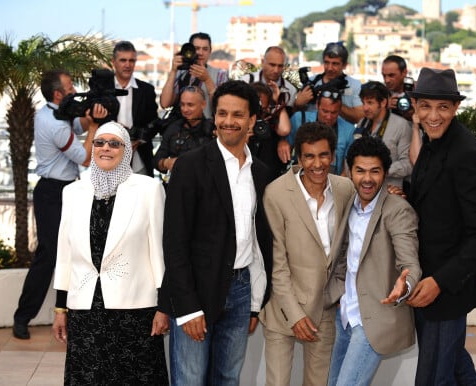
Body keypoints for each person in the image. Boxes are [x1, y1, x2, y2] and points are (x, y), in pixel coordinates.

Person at [161, 80, 272, 385]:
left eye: (237, 115)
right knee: (190, 380)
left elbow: (260, 240)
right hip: (197, 289)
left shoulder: (261, 172)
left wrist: (253, 302)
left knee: (227, 379)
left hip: (240, 290)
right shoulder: (190, 166)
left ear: (252, 121)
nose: (228, 121)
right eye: (222, 113)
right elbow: (174, 241)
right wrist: (186, 309)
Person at [52, 121, 169, 385]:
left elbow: (159, 252)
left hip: (136, 310)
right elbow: (65, 254)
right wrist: (61, 308)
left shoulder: (149, 189)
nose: (106, 148)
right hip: (86, 309)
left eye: (114, 143)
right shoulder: (72, 192)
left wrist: (164, 307)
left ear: (126, 150)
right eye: (99, 142)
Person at [406, 68, 476, 386]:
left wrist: (439, 282)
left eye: (443, 107)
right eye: (426, 107)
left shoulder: (466, 153)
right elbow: (434, 198)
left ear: (455, 108)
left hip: (447, 288)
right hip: (429, 280)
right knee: (455, 365)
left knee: (434, 377)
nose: (434, 116)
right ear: (415, 107)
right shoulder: (432, 141)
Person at [12, 70, 106, 340]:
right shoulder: (52, 122)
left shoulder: (54, 112)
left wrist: (89, 116)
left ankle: (70, 317)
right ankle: (22, 317)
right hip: (52, 192)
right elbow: (85, 157)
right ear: (57, 94)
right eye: (69, 86)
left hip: (67, 190)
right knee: (49, 255)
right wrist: (93, 128)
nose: (75, 89)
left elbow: (75, 125)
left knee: (77, 252)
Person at [260, 122, 355, 386]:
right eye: (309, 156)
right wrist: (295, 314)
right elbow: (277, 264)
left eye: (324, 155)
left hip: (323, 309)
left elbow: (347, 247)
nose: (317, 163)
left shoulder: (345, 189)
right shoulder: (276, 193)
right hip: (282, 309)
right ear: (299, 158)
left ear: (333, 156)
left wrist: (336, 292)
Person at [324, 135, 421, 386]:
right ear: (349, 171)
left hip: (374, 319)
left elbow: (409, 262)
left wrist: (405, 286)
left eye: (375, 171)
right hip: (345, 314)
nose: (367, 178)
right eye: (360, 171)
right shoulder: (347, 204)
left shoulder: (397, 210)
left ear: (385, 173)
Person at [278, 87, 354, 175]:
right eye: (325, 111)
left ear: (340, 110)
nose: (329, 117)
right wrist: (282, 141)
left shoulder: (349, 130)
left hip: (332, 180)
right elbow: (285, 143)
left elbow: (348, 166)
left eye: (334, 113)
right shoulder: (299, 118)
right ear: (317, 105)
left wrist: (338, 185)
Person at [111, 40, 159, 176]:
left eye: (132, 61)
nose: (127, 65)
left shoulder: (146, 90)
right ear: (113, 62)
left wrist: (139, 139)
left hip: (140, 161)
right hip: (109, 159)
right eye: (123, 60)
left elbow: (155, 123)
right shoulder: (104, 89)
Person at [354, 81, 413, 187]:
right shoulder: (361, 123)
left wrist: (380, 170)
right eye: (363, 103)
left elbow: (408, 164)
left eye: (370, 103)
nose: (365, 108)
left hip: (389, 193)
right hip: (362, 192)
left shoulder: (401, 125)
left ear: (383, 102)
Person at [153, 85, 214, 182]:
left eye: (190, 105)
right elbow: (157, 159)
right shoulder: (173, 128)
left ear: (203, 104)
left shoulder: (213, 130)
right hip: (176, 185)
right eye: (182, 104)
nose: (185, 109)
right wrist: (166, 163)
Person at [160, 32, 228, 118]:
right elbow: (165, 103)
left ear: (210, 51)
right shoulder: (180, 73)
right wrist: (173, 71)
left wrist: (207, 80)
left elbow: (222, 108)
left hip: (206, 128)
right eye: (197, 48)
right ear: (190, 50)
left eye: (205, 49)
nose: (200, 53)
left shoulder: (220, 74)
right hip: (180, 128)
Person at [295, 42, 363, 124]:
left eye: (335, 64)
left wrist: (333, 100)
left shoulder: (355, 85)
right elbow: (296, 115)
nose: (330, 68)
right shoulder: (311, 83)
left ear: (345, 65)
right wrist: (298, 104)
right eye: (327, 62)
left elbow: (360, 118)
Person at [248, 81, 291, 181]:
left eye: (262, 110)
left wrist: (278, 102)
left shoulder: (270, 124)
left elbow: (285, 130)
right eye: (254, 109)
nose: (257, 115)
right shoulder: (239, 125)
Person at [241, 46, 298, 113]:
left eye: (280, 66)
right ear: (262, 62)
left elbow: (288, 118)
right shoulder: (246, 81)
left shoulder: (290, 90)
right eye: (272, 65)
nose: (276, 70)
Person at [382, 55, 414, 121]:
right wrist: (384, 107)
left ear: (404, 72)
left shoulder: (417, 91)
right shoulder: (381, 94)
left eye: (391, 75)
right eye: (384, 75)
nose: (387, 80)